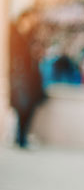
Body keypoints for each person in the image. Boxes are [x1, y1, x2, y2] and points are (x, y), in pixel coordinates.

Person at [9, 10, 45, 148]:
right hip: (20, 79)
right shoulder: (15, 36)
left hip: (30, 79)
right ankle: (19, 137)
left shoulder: (31, 36)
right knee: (21, 107)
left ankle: (21, 137)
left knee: (28, 108)